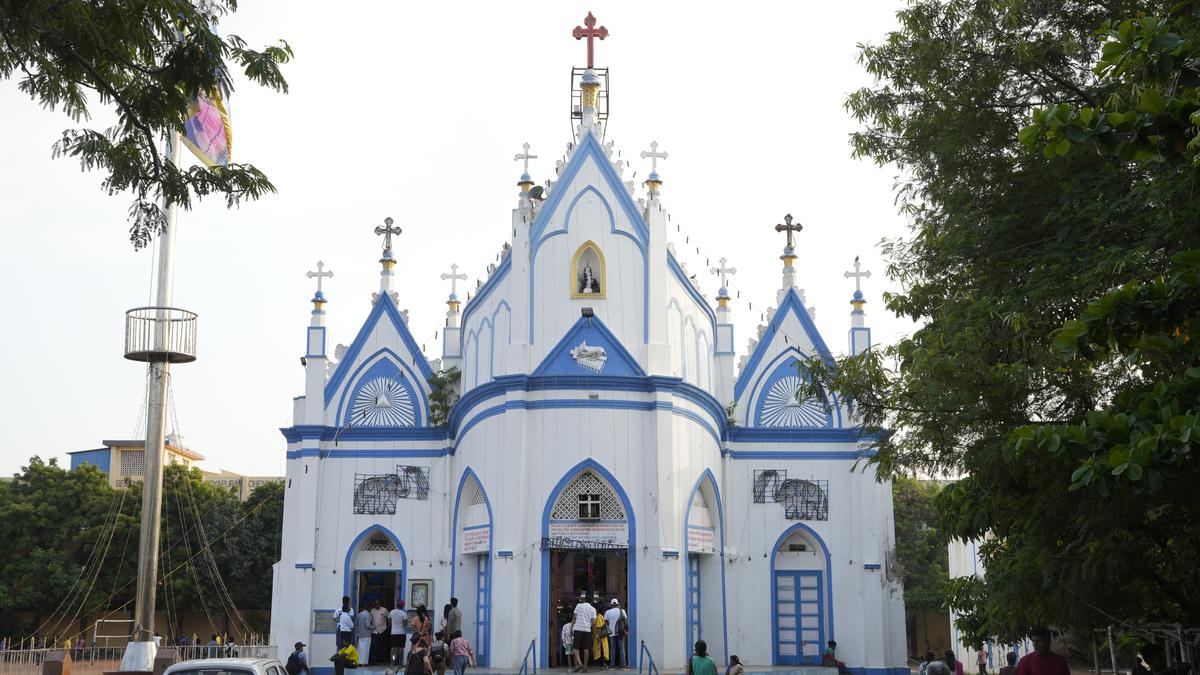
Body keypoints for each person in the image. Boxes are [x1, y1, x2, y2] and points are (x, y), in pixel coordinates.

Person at [573, 592, 597, 672]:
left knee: (576, 648)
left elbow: (574, 618)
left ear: (585, 600)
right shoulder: (593, 609)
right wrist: (594, 633)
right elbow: (593, 623)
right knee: (586, 649)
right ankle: (585, 667)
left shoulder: (578, 606)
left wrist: (570, 629)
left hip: (578, 628)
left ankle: (579, 663)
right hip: (587, 630)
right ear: (592, 602)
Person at [604, 599, 628, 669]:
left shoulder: (608, 612)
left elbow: (605, 622)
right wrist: (626, 630)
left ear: (611, 605)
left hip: (611, 633)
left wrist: (611, 625)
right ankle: (623, 664)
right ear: (618, 604)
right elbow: (625, 621)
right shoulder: (622, 611)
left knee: (612, 649)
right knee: (621, 648)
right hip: (620, 632)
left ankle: (612, 664)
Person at [390, 599, 410, 666]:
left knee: (393, 648)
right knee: (401, 648)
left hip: (393, 633)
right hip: (401, 633)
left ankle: (393, 661)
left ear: (396, 605)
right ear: (402, 606)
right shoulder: (404, 613)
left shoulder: (391, 612)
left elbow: (389, 621)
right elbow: (405, 624)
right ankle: (400, 663)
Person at [592, 604, 610, 669]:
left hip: (600, 638)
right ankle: (604, 664)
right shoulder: (601, 616)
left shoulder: (599, 617)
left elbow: (599, 628)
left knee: (601, 651)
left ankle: (603, 664)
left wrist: (597, 637)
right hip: (602, 638)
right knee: (602, 651)